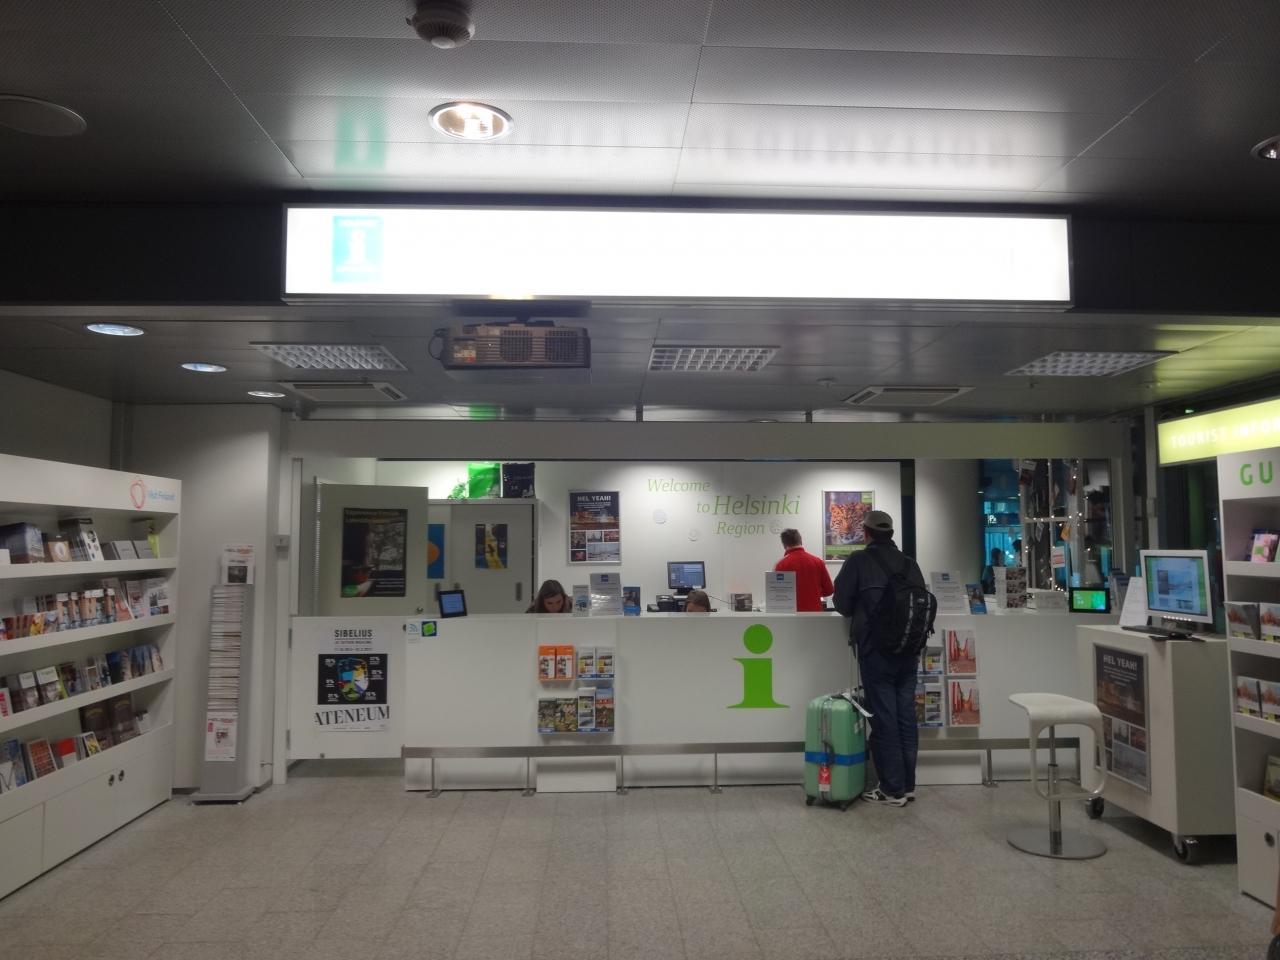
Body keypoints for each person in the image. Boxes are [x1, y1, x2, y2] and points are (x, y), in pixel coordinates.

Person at [832, 509, 927, 807]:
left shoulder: (858, 561)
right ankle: (907, 786)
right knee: (906, 717)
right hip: (909, 650)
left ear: (867, 533)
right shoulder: (910, 564)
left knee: (884, 718)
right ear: (892, 534)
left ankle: (891, 789)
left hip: (876, 651)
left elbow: (841, 604)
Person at [773, 528, 834, 612]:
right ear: (801, 541)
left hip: (791, 615)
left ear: (784, 545)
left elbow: (777, 596)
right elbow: (829, 590)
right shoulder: (818, 562)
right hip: (815, 614)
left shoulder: (780, 565)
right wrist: (814, 592)